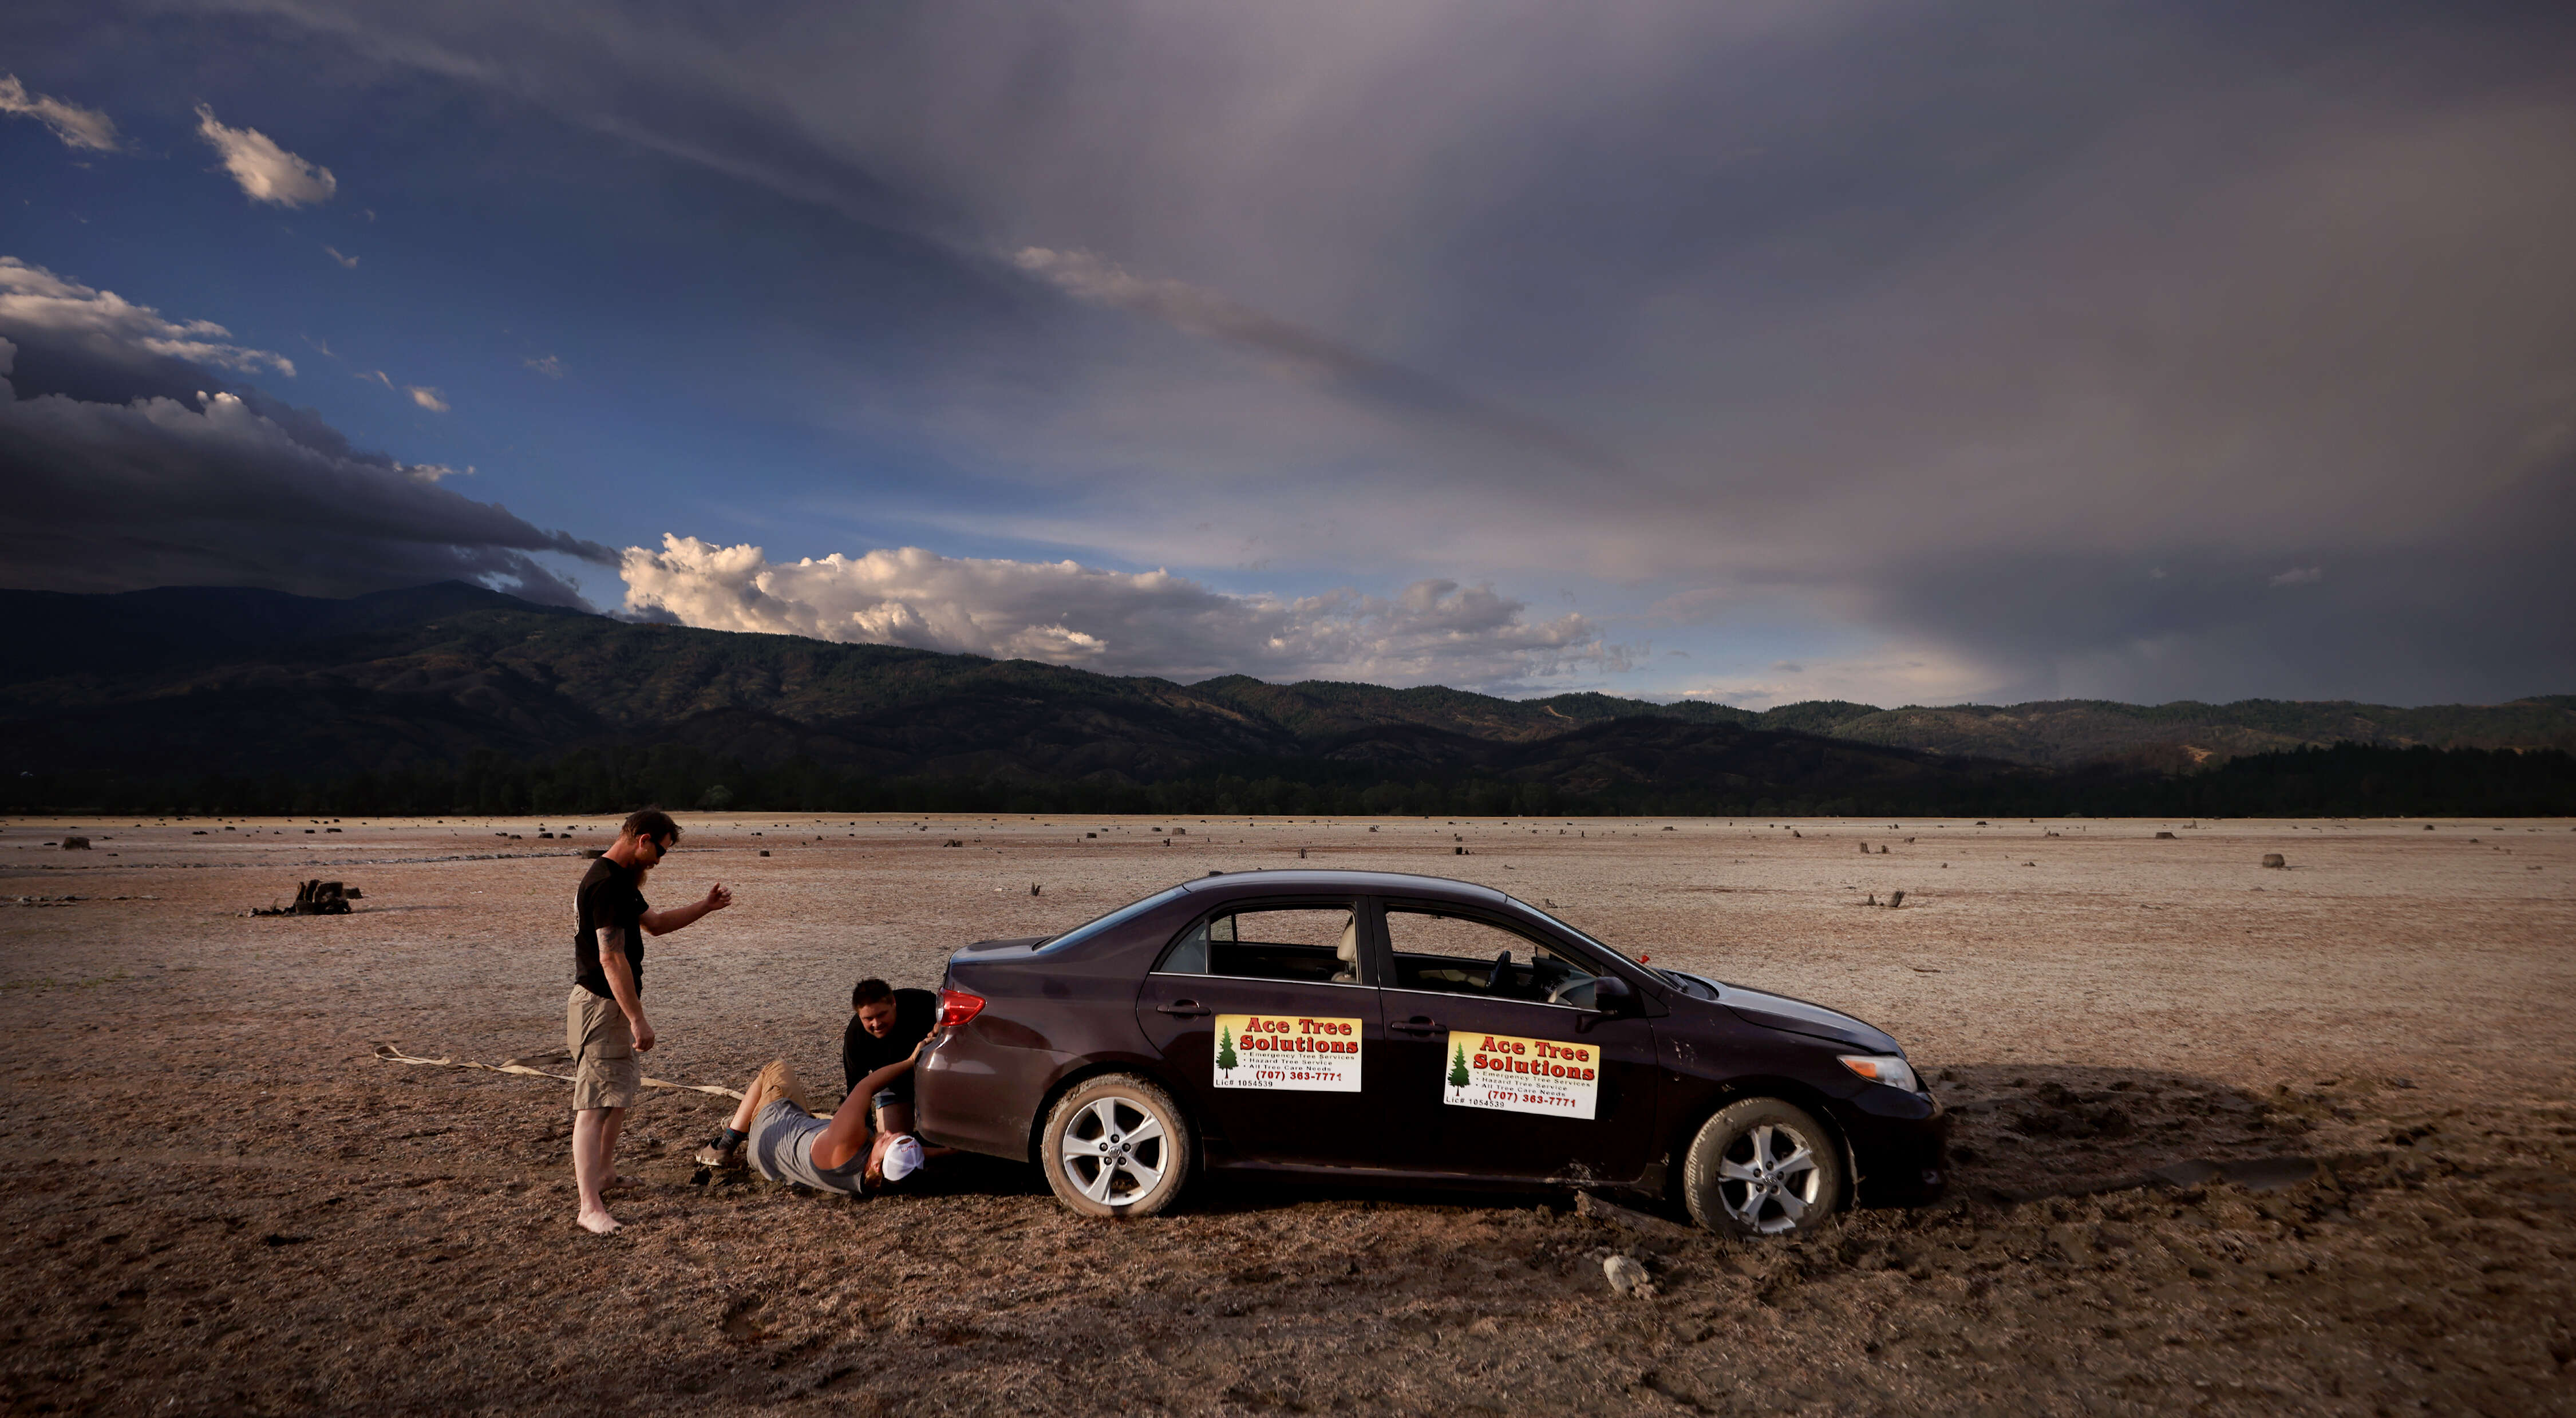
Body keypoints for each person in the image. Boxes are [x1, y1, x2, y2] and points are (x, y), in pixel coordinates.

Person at [569, 807, 733, 1234]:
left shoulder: (620, 881)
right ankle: (590, 1206)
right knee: (593, 1105)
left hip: (615, 1006)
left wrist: (706, 906)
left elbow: (656, 924)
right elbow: (610, 956)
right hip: (602, 1007)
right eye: (660, 850)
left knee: (618, 1094)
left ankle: (604, 1174)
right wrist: (637, 1018)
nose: (660, 859)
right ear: (642, 838)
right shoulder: (605, 883)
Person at [693, 1046, 930, 1198]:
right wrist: (952, 1151)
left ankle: (726, 1144)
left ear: (878, 1165)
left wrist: (910, 1061)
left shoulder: (847, 1140)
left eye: (887, 1140)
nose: (887, 1132)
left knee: (776, 1068)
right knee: (798, 1112)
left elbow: (866, 1086)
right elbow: (912, 1159)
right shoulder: (878, 1179)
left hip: (771, 1128)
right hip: (769, 1161)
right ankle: (744, 1119)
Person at [842, 978, 938, 1137]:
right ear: (859, 1015)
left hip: (932, 1082)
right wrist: (866, 1135)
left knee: (944, 1134)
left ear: (893, 1003)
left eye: (881, 1015)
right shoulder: (855, 1037)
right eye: (868, 1019)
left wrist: (943, 1027)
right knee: (893, 1141)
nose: (877, 1023)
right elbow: (856, 1090)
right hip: (894, 1088)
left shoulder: (923, 1003)